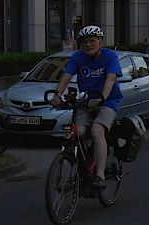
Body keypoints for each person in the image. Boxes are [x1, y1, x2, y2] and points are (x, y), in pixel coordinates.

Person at [50, 25, 121, 189]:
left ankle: (100, 175)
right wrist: (57, 94)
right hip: (85, 102)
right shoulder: (77, 57)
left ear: (100, 41)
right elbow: (66, 76)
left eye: (92, 41)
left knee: (97, 130)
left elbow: (110, 79)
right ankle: (82, 164)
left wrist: (101, 97)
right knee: (78, 132)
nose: (88, 45)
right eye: (84, 42)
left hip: (108, 101)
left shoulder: (110, 56)